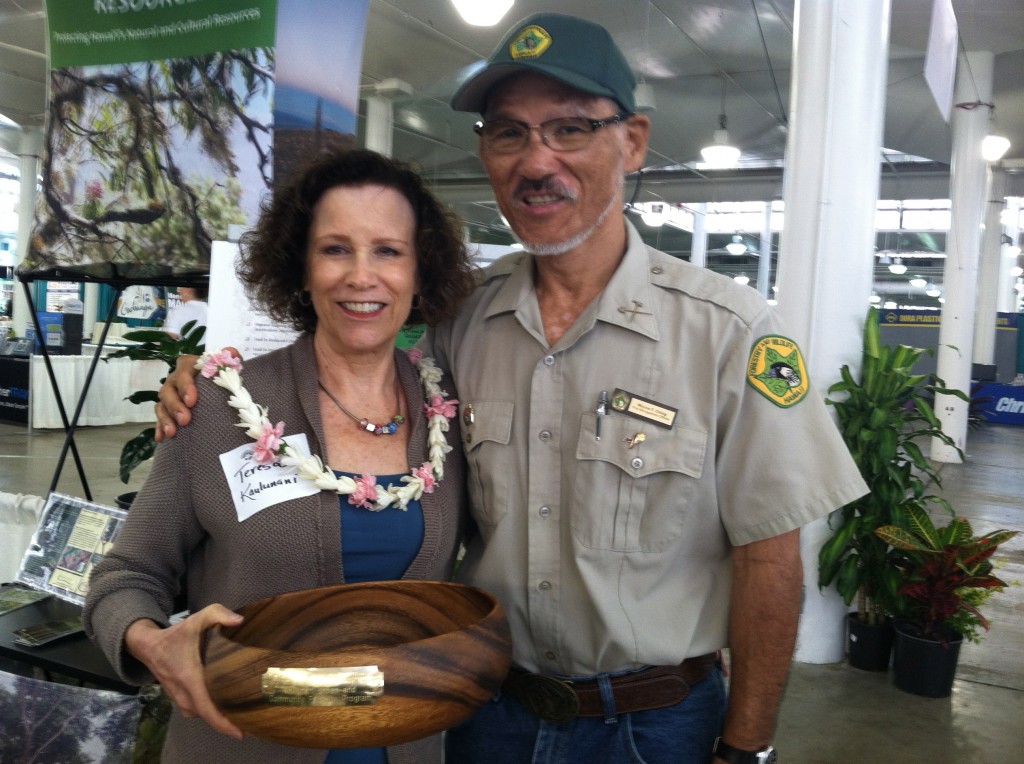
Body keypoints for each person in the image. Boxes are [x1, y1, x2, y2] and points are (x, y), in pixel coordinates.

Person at [156, 14, 869, 764]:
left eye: (569, 129)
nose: (536, 161)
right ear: (485, 153)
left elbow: (771, 558)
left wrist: (747, 747)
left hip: (652, 726)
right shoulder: (457, 320)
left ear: (631, 140)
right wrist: (213, 382)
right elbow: (348, 352)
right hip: (485, 710)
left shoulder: (730, 333)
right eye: (509, 133)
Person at [84, 148, 477, 764]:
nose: (361, 275)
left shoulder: (448, 413)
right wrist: (151, 642)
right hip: (243, 746)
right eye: (335, 248)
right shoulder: (217, 406)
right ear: (301, 266)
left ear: (420, 271)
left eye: (388, 250)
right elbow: (125, 577)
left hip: (408, 744)